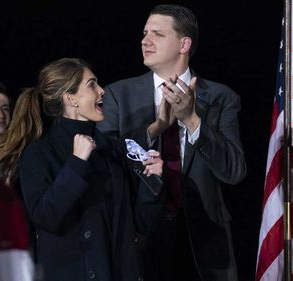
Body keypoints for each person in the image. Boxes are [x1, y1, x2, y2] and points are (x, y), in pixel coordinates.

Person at [97, 4, 246, 281]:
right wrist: (155, 129)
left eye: (157, 34)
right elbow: (105, 163)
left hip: (204, 244)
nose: (145, 40)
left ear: (184, 44)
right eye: (144, 33)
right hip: (141, 238)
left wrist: (192, 120)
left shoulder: (221, 97)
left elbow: (234, 171)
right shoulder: (118, 95)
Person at [16, 58, 164, 281]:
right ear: (70, 98)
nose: (102, 91)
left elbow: (142, 224)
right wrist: (76, 162)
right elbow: (46, 217)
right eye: (92, 85)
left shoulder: (113, 150)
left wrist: (152, 181)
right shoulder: (38, 154)